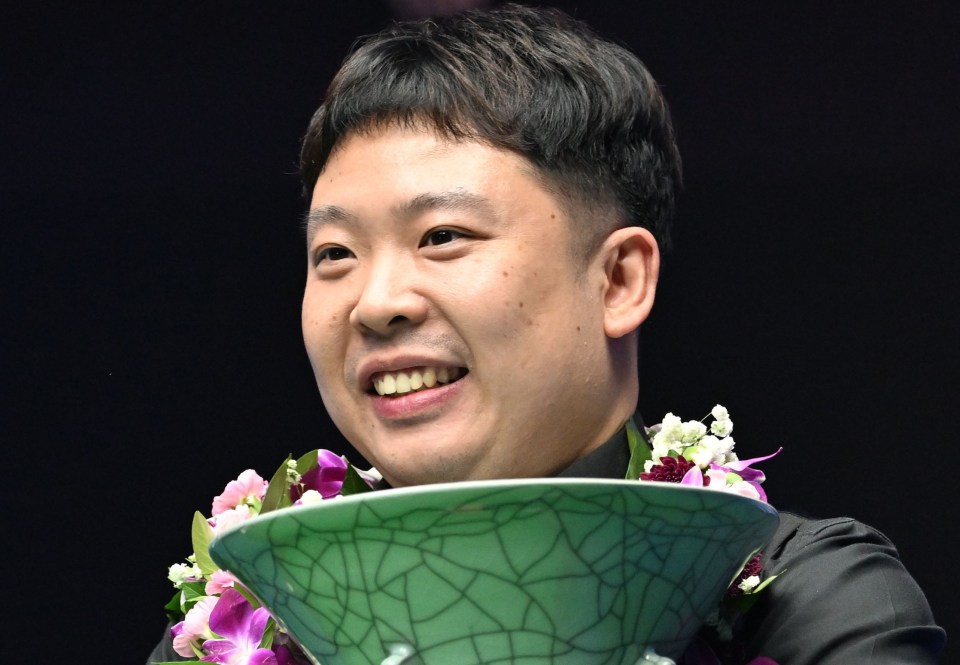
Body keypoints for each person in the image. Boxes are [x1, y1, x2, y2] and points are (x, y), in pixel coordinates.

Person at [149, 4, 944, 663]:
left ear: (619, 279)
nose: (376, 301)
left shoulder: (813, 601)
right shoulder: (235, 626)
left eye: (443, 236)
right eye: (334, 254)